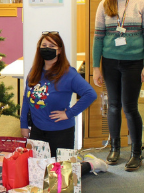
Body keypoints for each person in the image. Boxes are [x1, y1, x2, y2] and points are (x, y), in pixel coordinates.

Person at [91, 0, 144, 171]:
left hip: (134, 62)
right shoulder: (104, 4)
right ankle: (115, 148)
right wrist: (96, 68)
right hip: (109, 62)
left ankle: (136, 153)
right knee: (113, 106)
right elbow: (98, 38)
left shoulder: (141, 2)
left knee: (130, 107)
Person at [20, 31, 106, 174]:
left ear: (59, 50)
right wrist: (23, 125)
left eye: (51, 46)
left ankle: (91, 164)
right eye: (44, 45)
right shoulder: (34, 71)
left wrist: (69, 113)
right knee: (38, 174)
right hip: (37, 131)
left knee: (62, 175)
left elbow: (90, 94)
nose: (47, 48)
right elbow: (26, 99)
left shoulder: (68, 73)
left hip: (60, 132)